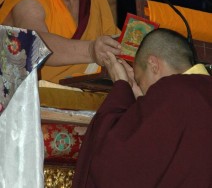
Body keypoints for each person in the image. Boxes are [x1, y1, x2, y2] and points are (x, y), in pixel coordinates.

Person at [73, 28, 212, 188]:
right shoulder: (197, 92)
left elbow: (112, 163)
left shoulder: (172, 91)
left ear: (153, 64)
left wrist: (121, 84)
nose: (142, 88)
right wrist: (140, 101)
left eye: (139, 80)